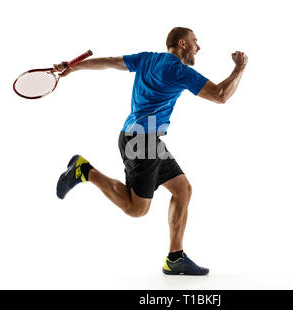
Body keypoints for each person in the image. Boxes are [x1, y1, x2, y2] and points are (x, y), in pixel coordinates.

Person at [54, 27, 247, 275]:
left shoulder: (148, 58)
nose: (198, 47)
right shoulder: (178, 70)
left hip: (145, 137)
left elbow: (112, 62)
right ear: (182, 43)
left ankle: (175, 257)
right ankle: (84, 170)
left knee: (182, 189)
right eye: (195, 42)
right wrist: (239, 68)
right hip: (141, 140)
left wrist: (73, 67)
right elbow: (221, 95)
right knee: (137, 209)